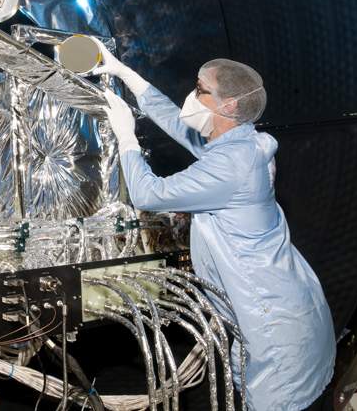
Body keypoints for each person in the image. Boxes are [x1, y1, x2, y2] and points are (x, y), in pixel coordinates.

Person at [95, 52, 336, 411]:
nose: (191, 97)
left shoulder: (231, 165)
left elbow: (149, 193)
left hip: (276, 327)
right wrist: (125, 73)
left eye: (200, 89)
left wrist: (126, 139)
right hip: (295, 305)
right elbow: (179, 125)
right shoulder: (242, 143)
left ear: (230, 104)